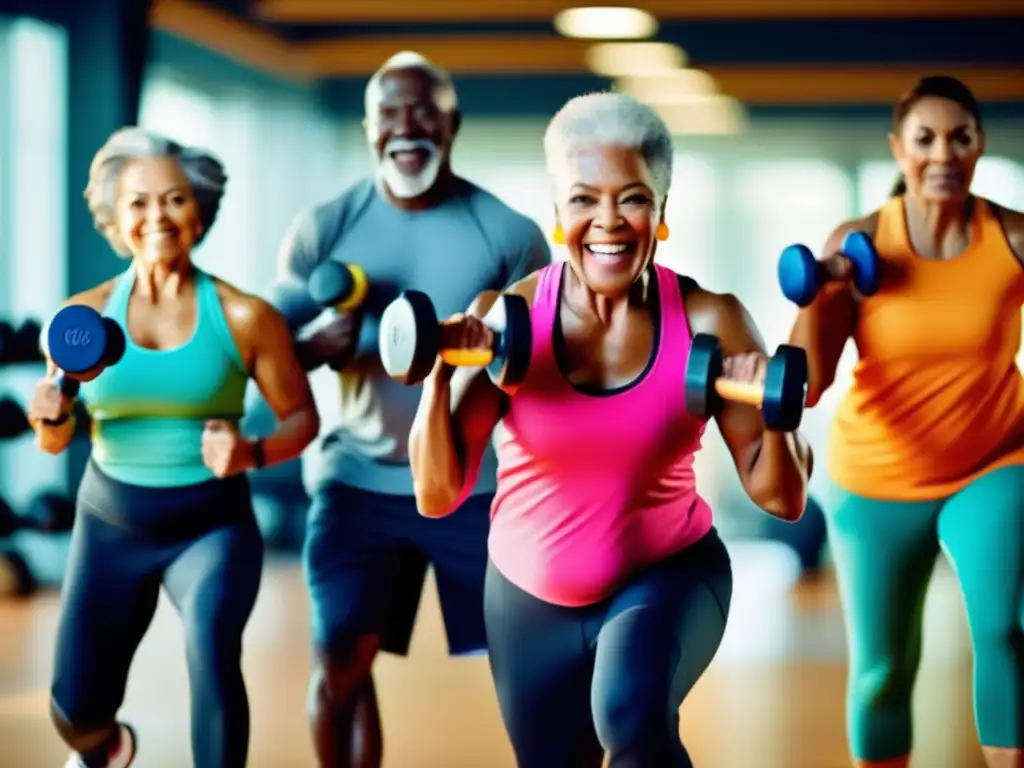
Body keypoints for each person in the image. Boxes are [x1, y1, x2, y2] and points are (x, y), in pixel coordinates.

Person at [407, 91, 812, 767]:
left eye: (631, 197)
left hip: (667, 577)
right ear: (559, 213)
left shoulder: (713, 321)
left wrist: (778, 414)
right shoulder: (506, 320)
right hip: (526, 599)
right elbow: (436, 494)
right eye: (583, 199)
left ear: (662, 211)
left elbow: (783, 499)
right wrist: (439, 374)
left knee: (630, 715)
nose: (607, 221)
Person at [270, 51, 551, 767]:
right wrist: (313, 345)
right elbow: (271, 353)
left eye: (424, 111)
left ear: (452, 123)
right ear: (368, 128)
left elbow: (546, 361)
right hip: (357, 482)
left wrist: (487, 347)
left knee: (536, 677)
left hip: (479, 487)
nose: (406, 128)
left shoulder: (508, 233)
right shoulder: (325, 229)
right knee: (339, 668)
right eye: (388, 114)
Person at [29, 127, 320, 768]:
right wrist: (48, 416)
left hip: (210, 526)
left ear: (201, 208)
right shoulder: (82, 316)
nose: (158, 216)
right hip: (111, 522)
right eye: (139, 202)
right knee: (74, 712)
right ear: (114, 217)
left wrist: (251, 453)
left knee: (213, 651)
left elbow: (301, 416)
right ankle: (104, 745)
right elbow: (54, 438)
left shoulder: (246, 317)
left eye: (175, 198)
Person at [788, 75, 1024, 768]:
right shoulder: (859, 241)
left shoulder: (1011, 239)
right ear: (899, 149)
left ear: (981, 145)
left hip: (994, 463)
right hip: (874, 481)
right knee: (882, 669)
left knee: (1003, 630)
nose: (943, 153)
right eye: (925, 138)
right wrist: (821, 293)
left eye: (961, 136)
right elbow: (808, 381)